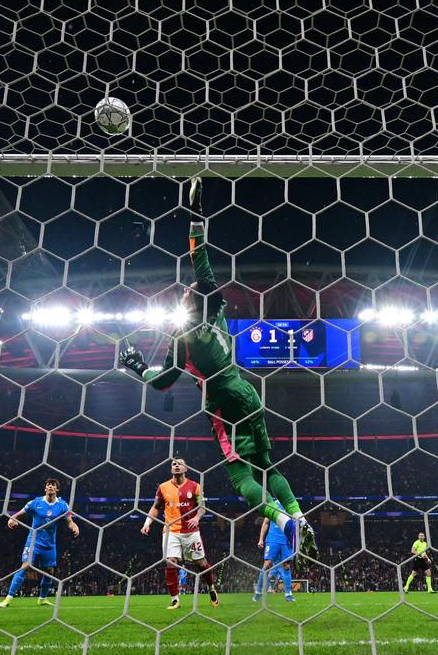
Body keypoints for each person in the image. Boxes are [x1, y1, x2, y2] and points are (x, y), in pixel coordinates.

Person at [119, 178, 316, 560]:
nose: (187, 289)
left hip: (222, 403)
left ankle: (284, 523)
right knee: (266, 465)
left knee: (242, 477)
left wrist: (138, 367)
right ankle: (297, 514)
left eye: (188, 291)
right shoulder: (219, 311)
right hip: (247, 391)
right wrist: (196, 216)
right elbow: (201, 260)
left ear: (190, 302)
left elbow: (163, 383)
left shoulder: (184, 336)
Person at [141, 457, 218, 609]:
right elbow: (156, 507)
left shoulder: (195, 486)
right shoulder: (163, 487)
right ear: (171, 469)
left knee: (201, 563)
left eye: (180, 464)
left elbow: (202, 506)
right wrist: (147, 523)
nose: (176, 466)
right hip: (171, 531)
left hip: (191, 532)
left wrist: (196, 517)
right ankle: (175, 599)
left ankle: (211, 588)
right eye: (174, 464)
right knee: (171, 561)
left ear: (186, 468)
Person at [0, 478, 80, 608]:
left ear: (57, 489)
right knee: (25, 566)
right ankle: (8, 598)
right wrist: (11, 520)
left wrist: (74, 526)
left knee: (49, 571)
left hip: (49, 544)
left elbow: (69, 521)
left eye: (53, 485)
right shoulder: (35, 503)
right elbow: (16, 515)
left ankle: (42, 598)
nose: (50, 487)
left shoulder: (62, 505)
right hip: (33, 541)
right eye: (48, 485)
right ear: (45, 488)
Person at [255, 499, 295, 603]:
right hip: (273, 539)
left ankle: (288, 594)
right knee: (267, 565)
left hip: (286, 541)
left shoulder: (290, 505)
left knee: (286, 566)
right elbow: (266, 523)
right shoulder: (273, 505)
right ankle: (258, 592)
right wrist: (261, 539)